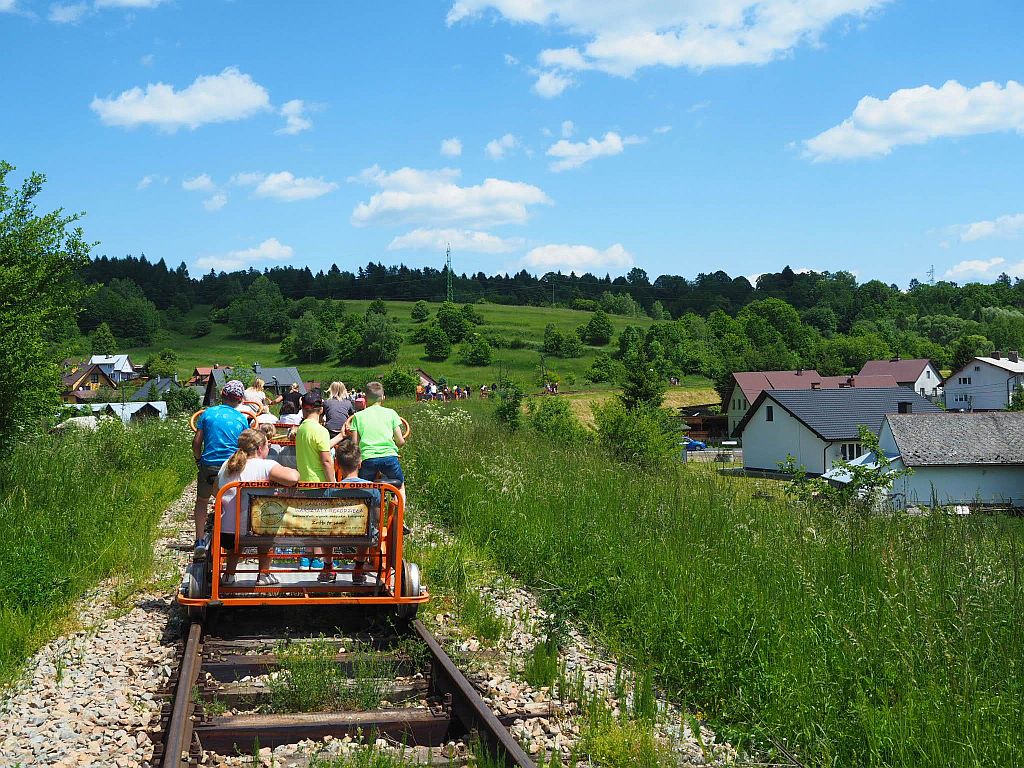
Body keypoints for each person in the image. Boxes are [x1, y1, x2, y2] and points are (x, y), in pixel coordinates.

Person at [217, 428, 299, 585]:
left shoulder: (227, 465)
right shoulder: (266, 466)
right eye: (268, 445)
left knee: (240, 525)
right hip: (258, 533)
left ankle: (229, 575)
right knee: (266, 521)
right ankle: (264, 574)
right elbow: (293, 478)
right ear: (261, 448)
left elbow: (216, 491)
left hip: (227, 534)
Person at [192, 380, 250, 547]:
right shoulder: (241, 418)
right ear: (240, 400)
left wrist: (198, 460)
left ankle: (199, 540)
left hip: (209, 464)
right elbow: (244, 446)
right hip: (231, 465)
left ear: (222, 395)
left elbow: (196, 443)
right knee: (234, 499)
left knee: (202, 500)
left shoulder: (207, 414)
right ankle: (234, 536)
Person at [295, 390, 342, 581]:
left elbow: (318, 448)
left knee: (311, 525)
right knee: (326, 528)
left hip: (305, 483)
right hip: (321, 485)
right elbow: (326, 461)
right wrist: (335, 485)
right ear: (321, 409)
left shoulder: (302, 429)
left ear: (303, 408)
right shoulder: (320, 431)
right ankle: (328, 566)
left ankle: (308, 558)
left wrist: (339, 437)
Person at [348, 381, 406, 501]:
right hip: (389, 457)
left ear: (365, 398)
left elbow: (355, 444)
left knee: (364, 490)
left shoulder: (358, 416)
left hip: (368, 458)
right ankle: (399, 517)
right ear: (383, 397)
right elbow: (400, 441)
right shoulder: (391, 413)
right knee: (399, 487)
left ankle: (367, 515)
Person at [335, 438, 380, 584]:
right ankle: (358, 569)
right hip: (363, 535)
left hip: (337, 534)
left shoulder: (332, 489)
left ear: (338, 465)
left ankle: (327, 568)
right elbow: (378, 517)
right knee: (367, 527)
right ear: (360, 463)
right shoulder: (372, 488)